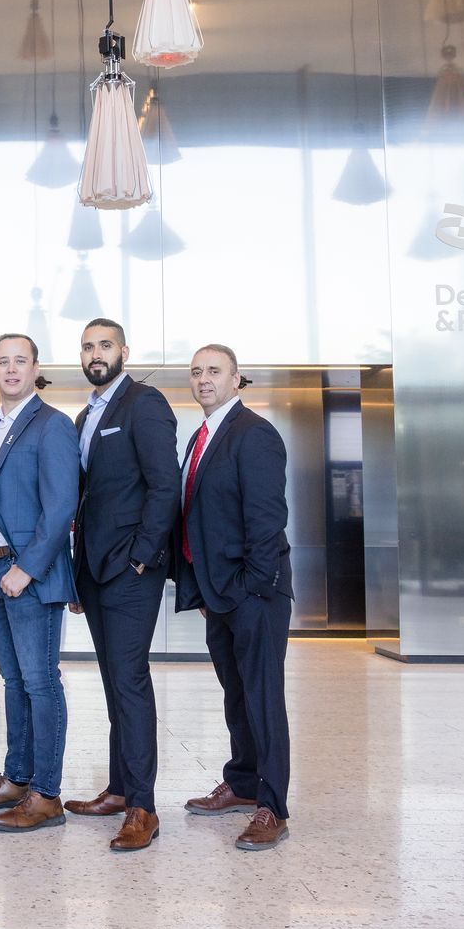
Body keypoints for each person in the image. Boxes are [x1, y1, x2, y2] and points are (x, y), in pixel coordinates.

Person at [0, 334, 78, 833]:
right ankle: (17, 778)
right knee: (14, 681)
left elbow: (61, 505)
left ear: (35, 367)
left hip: (29, 574)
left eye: (19, 361)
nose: (10, 369)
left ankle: (46, 795)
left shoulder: (51, 425)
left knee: (41, 683)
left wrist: (26, 567)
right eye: (2, 361)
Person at [65, 319, 180, 852]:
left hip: (131, 571)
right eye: (88, 346)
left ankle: (143, 807)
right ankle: (118, 788)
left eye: (104, 345)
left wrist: (142, 557)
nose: (95, 353)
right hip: (94, 571)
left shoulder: (144, 402)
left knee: (130, 681)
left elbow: (164, 485)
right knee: (113, 681)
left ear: (124, 351)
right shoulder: (86, 414)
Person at [176, 343, 294, 851]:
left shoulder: (254, 435)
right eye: (197, 371)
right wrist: (204, 589)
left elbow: (267, 523)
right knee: (237, 694)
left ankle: (273, 807)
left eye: (215, 371)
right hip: (220, 594)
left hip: (254, 594)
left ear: (236, 378)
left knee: (262, 697)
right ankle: (243, 782)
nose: (205, 379)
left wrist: (247, 588)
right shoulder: (200, 437)